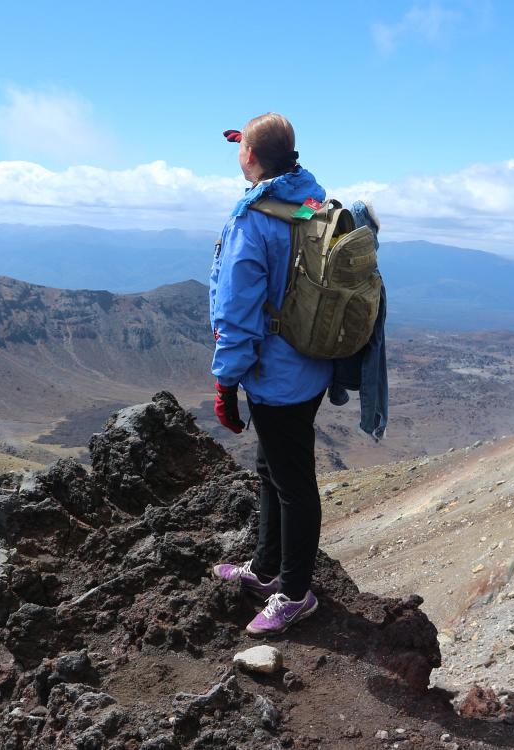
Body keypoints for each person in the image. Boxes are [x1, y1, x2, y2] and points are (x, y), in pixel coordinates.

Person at [209, 113, 331, 636]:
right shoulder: (311, 199)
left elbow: (238, 310)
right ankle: (264, 569)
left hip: (277, 371)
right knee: (272, 468)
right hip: (312, 360)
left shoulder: (254, 219)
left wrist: (225, 381)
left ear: (252, 158)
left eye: (242, 148)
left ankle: (295, 594)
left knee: (293, 483)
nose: (238, 154)